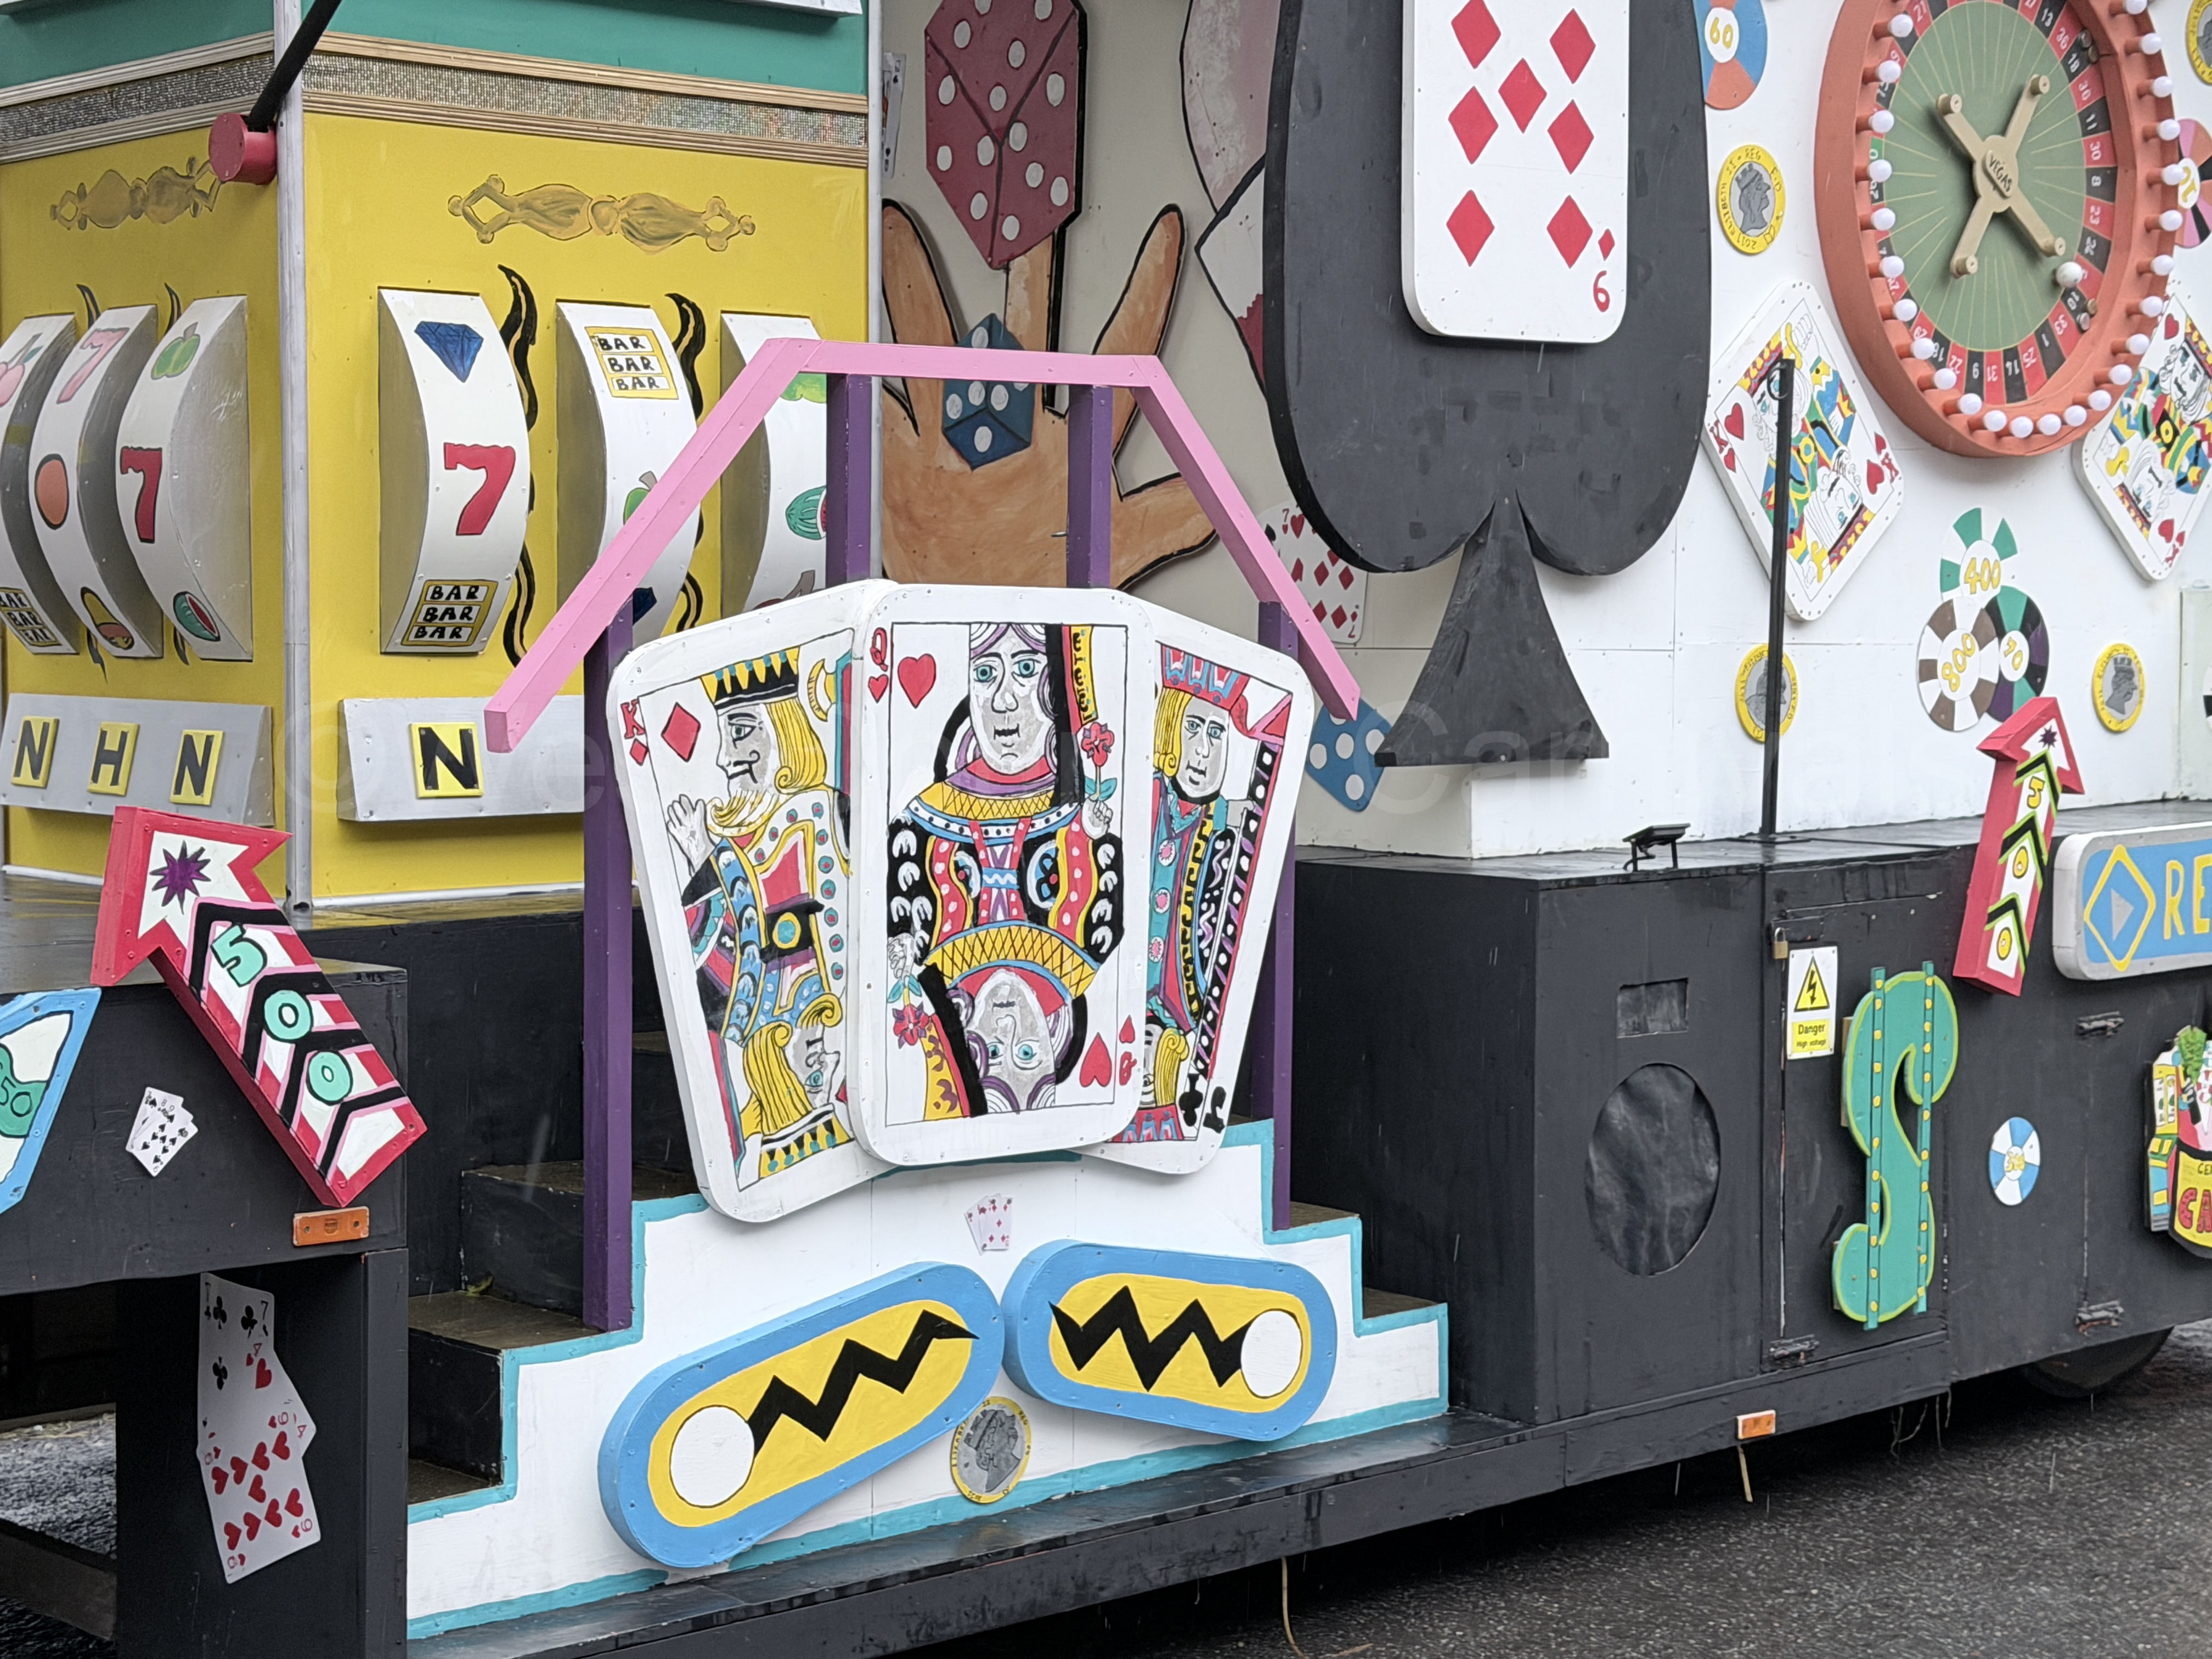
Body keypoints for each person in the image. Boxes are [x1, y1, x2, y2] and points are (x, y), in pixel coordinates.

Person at [886, 621, 1123, 1116]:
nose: (1004, 699)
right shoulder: (920, 822)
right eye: (986, 672)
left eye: (1027, 668)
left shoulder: (1085, 822)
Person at [666, 650, 853, 1182]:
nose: (726, 759)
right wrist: (704, 860)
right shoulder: (732, 842)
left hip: (815, 1020)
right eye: (725, 737)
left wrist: (708, 859)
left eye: (742, 732)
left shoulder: (823, 813)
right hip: (765, 1057)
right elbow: (718, 965)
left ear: (786, 731)